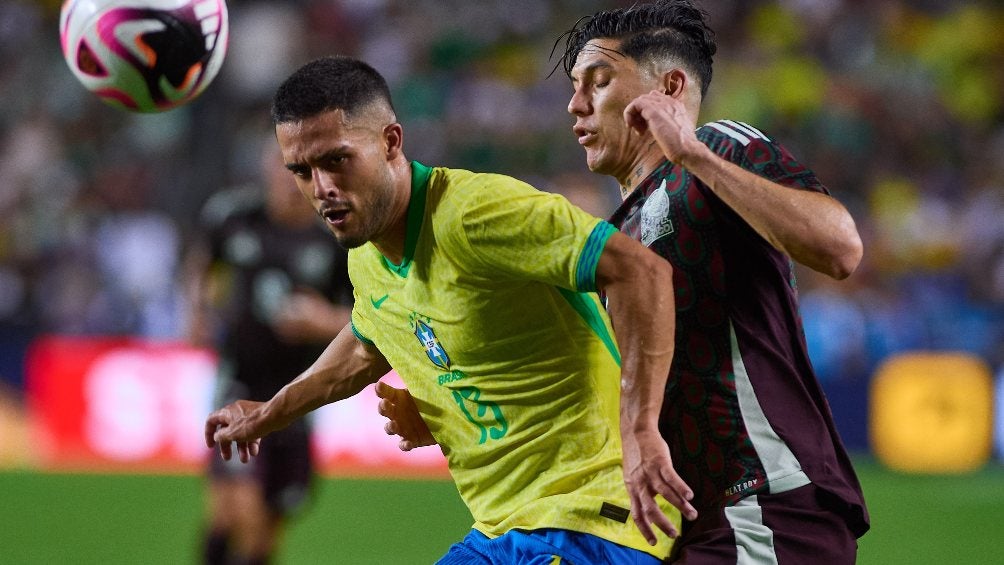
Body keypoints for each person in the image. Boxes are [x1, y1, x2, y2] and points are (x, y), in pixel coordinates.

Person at [205, 55, 697, 564]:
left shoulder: (478, 212)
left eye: (336, 160)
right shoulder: (367, 259)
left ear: (391, 142)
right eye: (301, 171)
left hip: (598, 518)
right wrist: (268, 412)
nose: (321, 188)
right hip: (500, 531)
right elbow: (362, 343)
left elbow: (641, 271)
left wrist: (643, 428)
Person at [557, 1, 870, 562]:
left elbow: (840, 246)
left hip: (764, 506)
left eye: (598, 83)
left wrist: (692, 153)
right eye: (575, 87)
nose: (576, 105)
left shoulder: (719, 148)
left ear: (670, 87)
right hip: (691, 524)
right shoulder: (617, 234)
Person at [188, 141, 353, 565]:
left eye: (296, 171)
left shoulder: (335, 237)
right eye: (278, 167)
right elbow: (202, 263)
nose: (284, 179)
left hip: (297, 397)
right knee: (241, 513)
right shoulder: (233, 216)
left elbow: (364, 319)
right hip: (238, 383)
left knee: (263, 537)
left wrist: (321, 320)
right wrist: (198, 312)